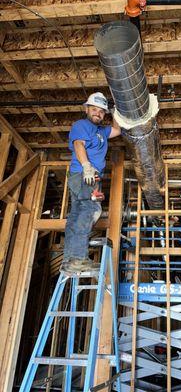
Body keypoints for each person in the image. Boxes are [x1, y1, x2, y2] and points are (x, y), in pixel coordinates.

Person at [61, 92, 121, 273]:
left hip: (86, 177)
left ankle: (69, 260)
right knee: (90, 210)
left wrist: (114, 112)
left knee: (76, 214)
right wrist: (87, 166)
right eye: (94, 109)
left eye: (102, 112)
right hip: (84, 175)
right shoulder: (82, 125)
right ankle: (78, 258)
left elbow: (117, 130)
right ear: (86, 109)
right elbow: (79, 144)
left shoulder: (101, 131)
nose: (98, 114)